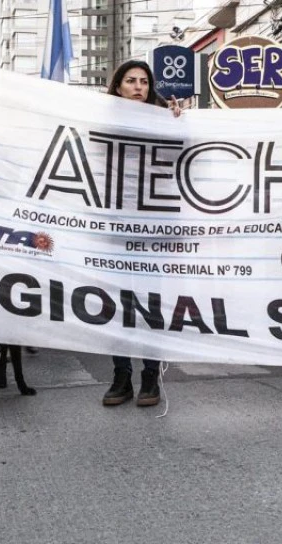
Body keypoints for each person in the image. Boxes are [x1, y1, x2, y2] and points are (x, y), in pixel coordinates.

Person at [102, 59, 180, 408]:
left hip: (153, 227)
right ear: (118, 87)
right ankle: (121, 375)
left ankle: (150, 376)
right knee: (118, 302)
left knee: (151, 302)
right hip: (116, 225)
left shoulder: (165, 120)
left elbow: (185, 154)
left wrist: (178, 123)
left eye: (144, 81)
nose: (138, 87)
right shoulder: (103, 122)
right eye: (131, 81)